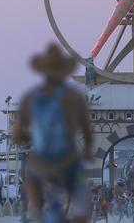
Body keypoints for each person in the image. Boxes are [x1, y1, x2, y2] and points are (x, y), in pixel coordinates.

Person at [12, 43, 93, 223]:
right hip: (69, 161)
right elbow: (88, 132)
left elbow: (16, 135)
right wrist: (87, 151)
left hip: (40, 163)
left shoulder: (30, 97)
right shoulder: (75, 96)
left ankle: (36, 213)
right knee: (82, 207)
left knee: (32, 184)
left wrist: (33, 138)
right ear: (64, 70)